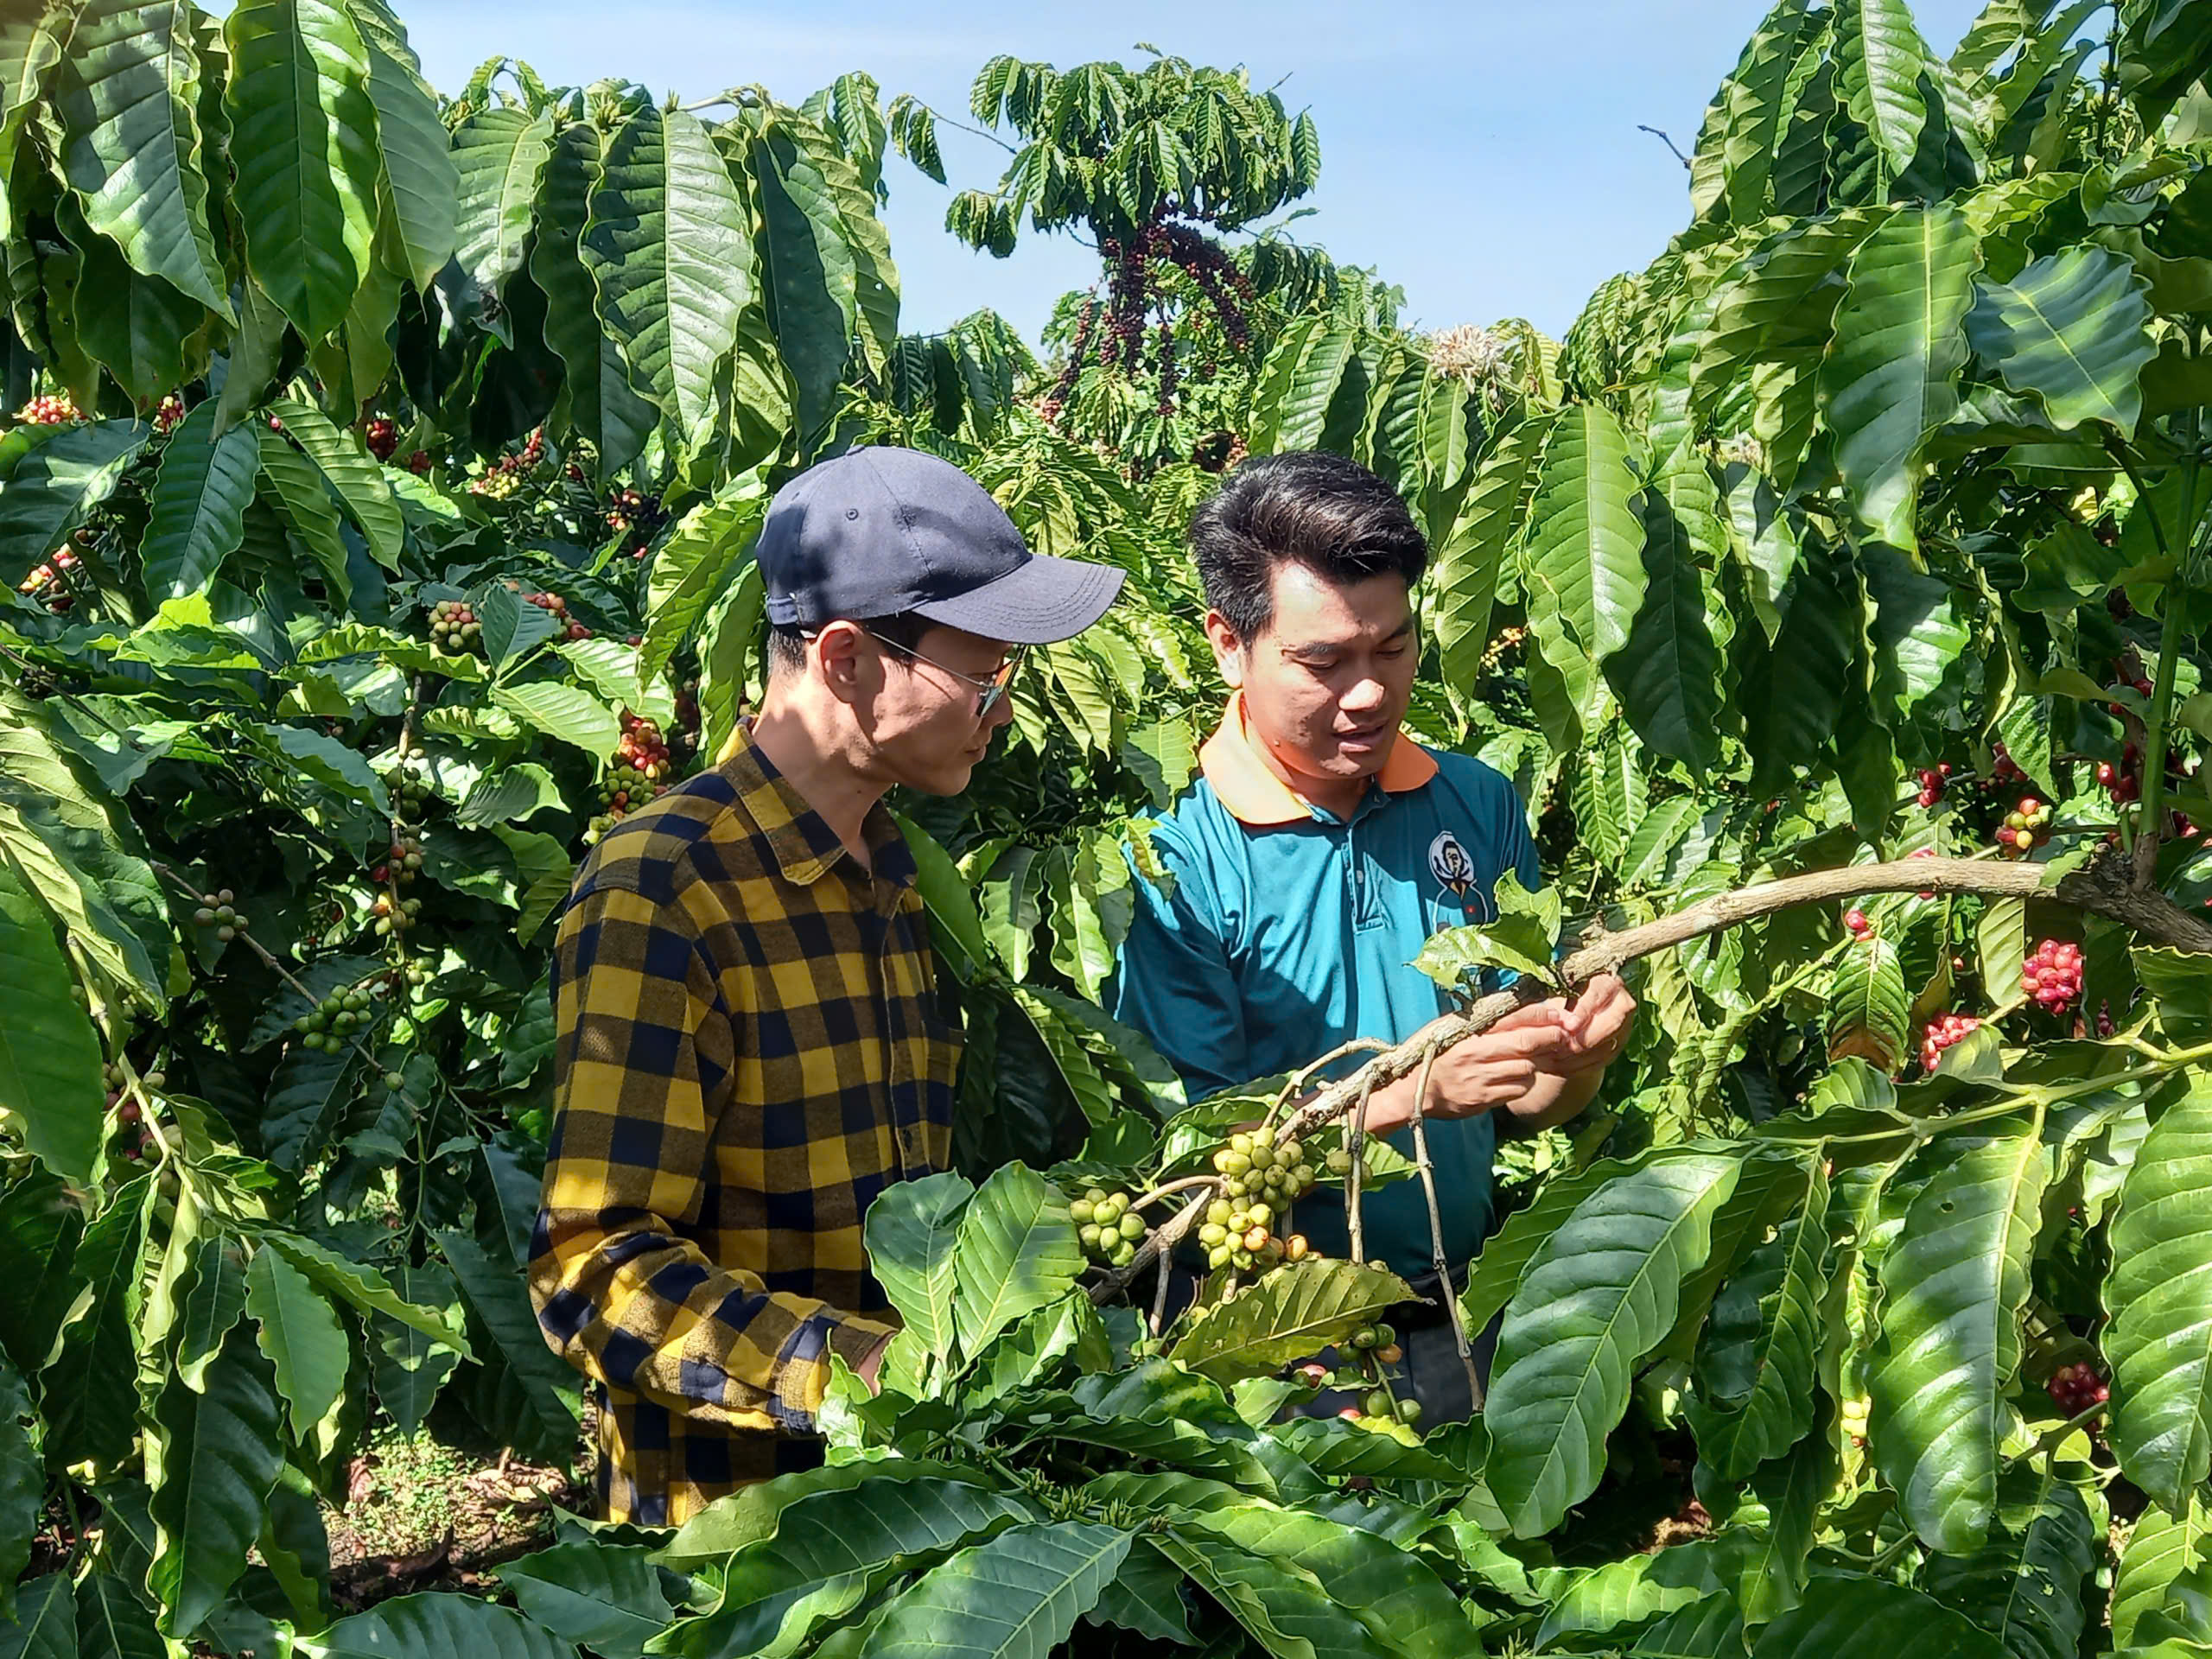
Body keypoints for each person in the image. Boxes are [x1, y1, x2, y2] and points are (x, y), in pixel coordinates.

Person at [530, 446, 1123, 1523]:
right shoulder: (668, 889)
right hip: (737, 1537)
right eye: (984, 676)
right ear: (846, 657)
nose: (1002, 711)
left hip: (910, 1507)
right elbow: (591, 1266)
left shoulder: (890, 875)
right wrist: (860, 1375)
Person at [1110, 449, 1635, 1422]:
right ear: (1229, 644)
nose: (1366, 695)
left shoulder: (1474, 804)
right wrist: (1412, 1097)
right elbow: (1185, 1154)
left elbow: (1526, 1112)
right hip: (1267, 1337)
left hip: (1456, 1304)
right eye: (1323, 662)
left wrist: (1578, 1059)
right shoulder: (1173, 859)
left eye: (1391, 650)